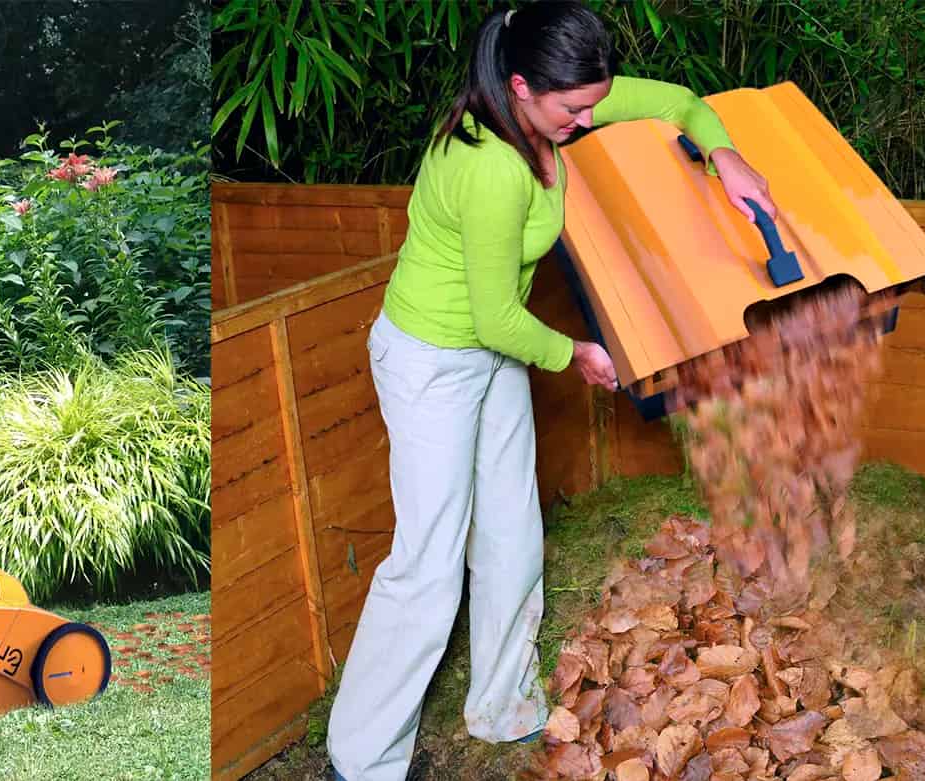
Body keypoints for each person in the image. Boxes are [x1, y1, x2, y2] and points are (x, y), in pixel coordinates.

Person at [325, 3, 778, 779]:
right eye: (575, 110)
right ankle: (359, 759)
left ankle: (502, 706)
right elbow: (499, 315)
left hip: (494, 352)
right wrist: (578, 354)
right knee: (427, 565)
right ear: (522, 86)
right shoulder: (488, 165)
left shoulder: (553, 106)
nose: (590, 119)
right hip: (431, 361)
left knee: (510, 532)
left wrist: (725, 155)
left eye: (595, 102)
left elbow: (676, 101)